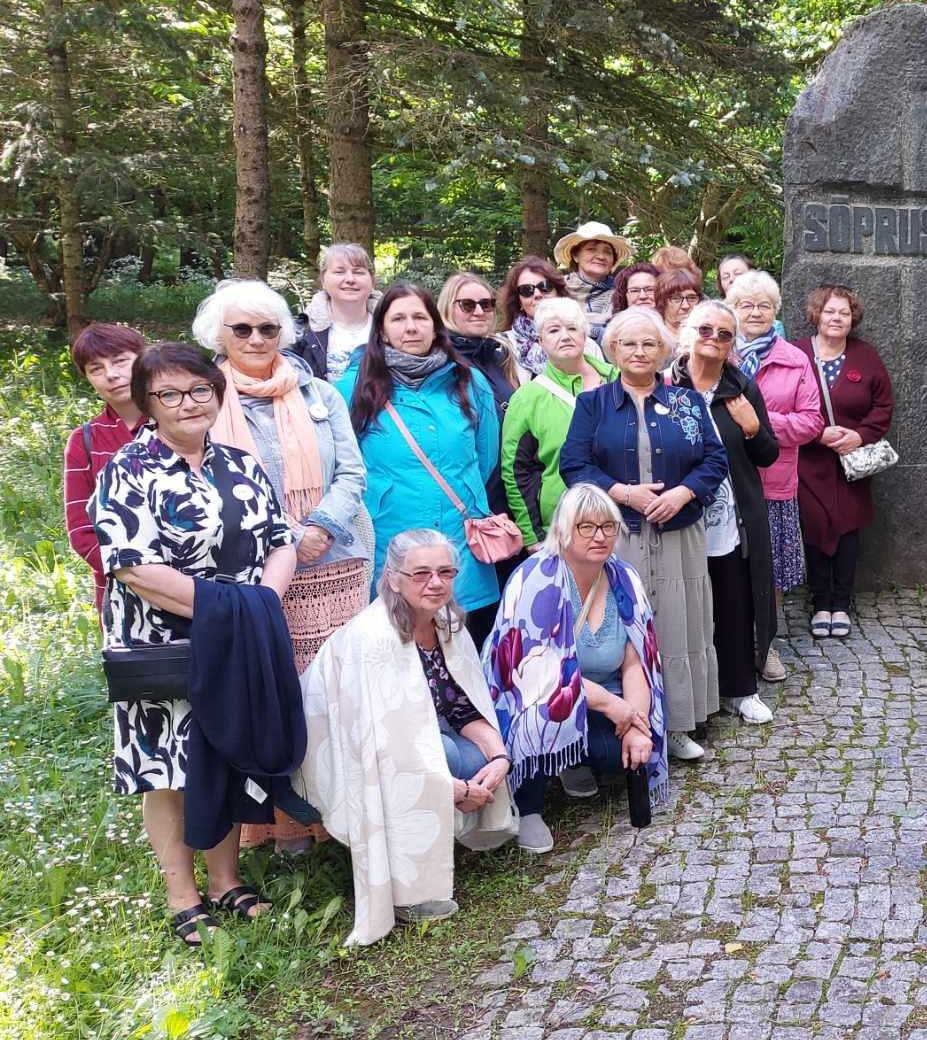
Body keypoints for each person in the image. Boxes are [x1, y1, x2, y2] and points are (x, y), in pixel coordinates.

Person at [92, 342, 299, 946]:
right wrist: (225, 609)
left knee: (222, 751)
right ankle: (182, 896)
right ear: (149, 404)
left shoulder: (240, 463)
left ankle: (226, 881)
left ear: (217, 393)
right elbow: (130, 564)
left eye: (199, 390)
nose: (188, 403)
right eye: (170, 394)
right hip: (165, 642)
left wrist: (262, 602)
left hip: (236, 634)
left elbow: (280, 538)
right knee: (168, 768)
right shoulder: (128, 470)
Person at [197, 279, 377, 851]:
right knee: (276, 689)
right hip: (254, 570)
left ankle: (339, 815)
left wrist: (319, 527)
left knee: (336, 688)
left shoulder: (319, 393)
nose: (256, 338)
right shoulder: (204, 399)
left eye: (268, 328)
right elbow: (205, 483)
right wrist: (285, 539)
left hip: (337, 559)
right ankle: (284, 822)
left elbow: (353, 471)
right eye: (242, 329)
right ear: (218, 336)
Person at [293, 529, 516, 944]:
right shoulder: (374, 639)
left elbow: (464, 705)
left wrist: (500, 758)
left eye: (445, 572)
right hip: (360, 748)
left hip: (427, 731)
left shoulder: (447, 621)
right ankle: (408, 890)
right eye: (421, 574)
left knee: (480, 751)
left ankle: (439, 836)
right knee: (448, 756)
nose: (436, 583)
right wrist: (453, 787)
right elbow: (386, 748)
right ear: (393, 577)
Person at [558, 307, 727, 761]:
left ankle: (673, 725)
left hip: (678, 533)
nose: (638, 352)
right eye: (629, 343)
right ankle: (623, 724)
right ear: (612, 350)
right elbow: (574, 464)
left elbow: (715, 461)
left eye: (649, 344)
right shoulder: (592, 404)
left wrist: (683, 494)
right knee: (623, 629)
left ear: (664, 351)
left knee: (674, 622)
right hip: (615, 536)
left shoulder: (687, 403)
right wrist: (623, 494)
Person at [484, 485, 670, 853]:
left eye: (607, 526)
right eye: (586, 527)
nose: (599, 536)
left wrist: (636, 723)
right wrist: (612, 707)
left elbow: (639, 661)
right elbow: (536, 671)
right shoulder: (535, 579)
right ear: (563, 530)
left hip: (600, 695)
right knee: (541, 713)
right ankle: (529, 805)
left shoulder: (623, 578)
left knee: (622, 754)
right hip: (534, 692)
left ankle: (573, 758)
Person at [337, 284, 504, 645]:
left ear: (435, 324)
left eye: (419, 317)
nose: (410, 327)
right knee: (394, 658)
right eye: (398, 318)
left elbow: (486, 455)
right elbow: (339, 465)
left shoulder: (468, 381)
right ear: (381, 329)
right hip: (388, 541)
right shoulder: (352, 387)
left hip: (459, 540)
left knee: (462, 656)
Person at [673, 299, 782, 723]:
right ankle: (691, 696)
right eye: (705, 330)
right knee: (685, 606)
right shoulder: (666, 383)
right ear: (689, 332)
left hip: (731, 518)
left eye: (723, 334)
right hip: (678, 515)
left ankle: (740, 689)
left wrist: (752, 427)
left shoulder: (741, 387)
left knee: (734, 602)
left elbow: (768, 454)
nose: (713, 340)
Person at [721, 270, 821, 681]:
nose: (755, 312)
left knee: (771, 570)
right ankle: (730, 642)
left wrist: (758, 423)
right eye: (746, 305)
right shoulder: (715, 355)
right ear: (732, 309)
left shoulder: (794, 359)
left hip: (774, 480)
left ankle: (767, 644)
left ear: (775, 311)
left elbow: (811, 422)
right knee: (727, 565)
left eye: (763, 305)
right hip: (725, 482)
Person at [795, 284, 894, 640]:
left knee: (849, 529)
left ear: (853, 319)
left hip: (852, 463)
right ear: (816, 315)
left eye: (844, 313)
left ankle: (842, 603)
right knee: (815, 528)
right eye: (830, 311)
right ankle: (821, 601)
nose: (836, 318)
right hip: (809, 461)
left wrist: (860, 435)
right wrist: (816, 433)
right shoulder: (796, 353)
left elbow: (883, 405)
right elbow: (781, 404)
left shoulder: (866, 355)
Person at [501, 297, 618, 549]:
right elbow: (515, 470)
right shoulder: (527, 398)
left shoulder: (618, 382)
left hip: (622, 518)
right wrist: (532, 536)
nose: (564, 336)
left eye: (573, 328)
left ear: (585, 335)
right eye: (554, 330)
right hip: (562, 524)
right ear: (541, 340)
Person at [64, 321, 149, 609]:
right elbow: (81, 532)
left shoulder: (181, 421)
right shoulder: (84, 441)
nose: (111, 375)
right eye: (96, 368)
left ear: (143, 360)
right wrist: (139, 576)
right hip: (120, 597)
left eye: (120, 361)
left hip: (198, 588)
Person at [289, 242, 382, 380]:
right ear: (323, 280)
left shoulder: (393, 327)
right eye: (339, 272)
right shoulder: (300, 333)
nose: (350, 279)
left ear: (372, 281)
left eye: (358, 272)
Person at [438, 272, 521, 406]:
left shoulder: (500, 357)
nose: (479, 312)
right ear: (447, 308)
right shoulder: (439, 360)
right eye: (467, 305)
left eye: (486, 304)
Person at [499, 257, 572, 378]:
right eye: (526, 290)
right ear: (519, 302)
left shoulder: (583, 342)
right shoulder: (503, 347)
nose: (537, 294)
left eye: (545, 286)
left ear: (558, 293)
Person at [554, 221, 633, 326]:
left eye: (607, 252)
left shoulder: (624, 292)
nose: (601, 256)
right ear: (575, 256)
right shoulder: (556, 289)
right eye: (591, 249)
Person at [602, 262, 662, 341]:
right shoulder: (610, 333)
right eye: (635, 291)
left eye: (650, 289)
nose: (642, 296)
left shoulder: (676, 328)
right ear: (624, 295)